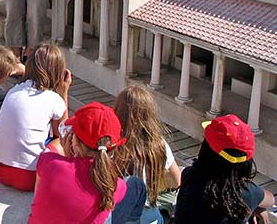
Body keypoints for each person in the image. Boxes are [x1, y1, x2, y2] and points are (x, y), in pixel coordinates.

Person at [29, 101, 147, 224]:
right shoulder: (117, 186)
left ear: (74, 141)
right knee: (136, 185)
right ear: (112, 148)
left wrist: (67, 155)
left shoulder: (49, 162)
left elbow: (38, 200)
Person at [0, 43, 71, 191]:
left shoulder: (13, 91)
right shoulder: (53, 99)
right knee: (62, 140)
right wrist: (64, 92)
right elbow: (64, 134)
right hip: (29, 177)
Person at [174, 114, 275, 224]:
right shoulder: (246, 192)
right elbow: (270, 200)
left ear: (205, 151)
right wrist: (258, 207)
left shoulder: (189, 175)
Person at [113, 85, 181, 224]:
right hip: (150, 214)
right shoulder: (159, 144)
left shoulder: (113, 145)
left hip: (119, 213)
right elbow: (178, 180)